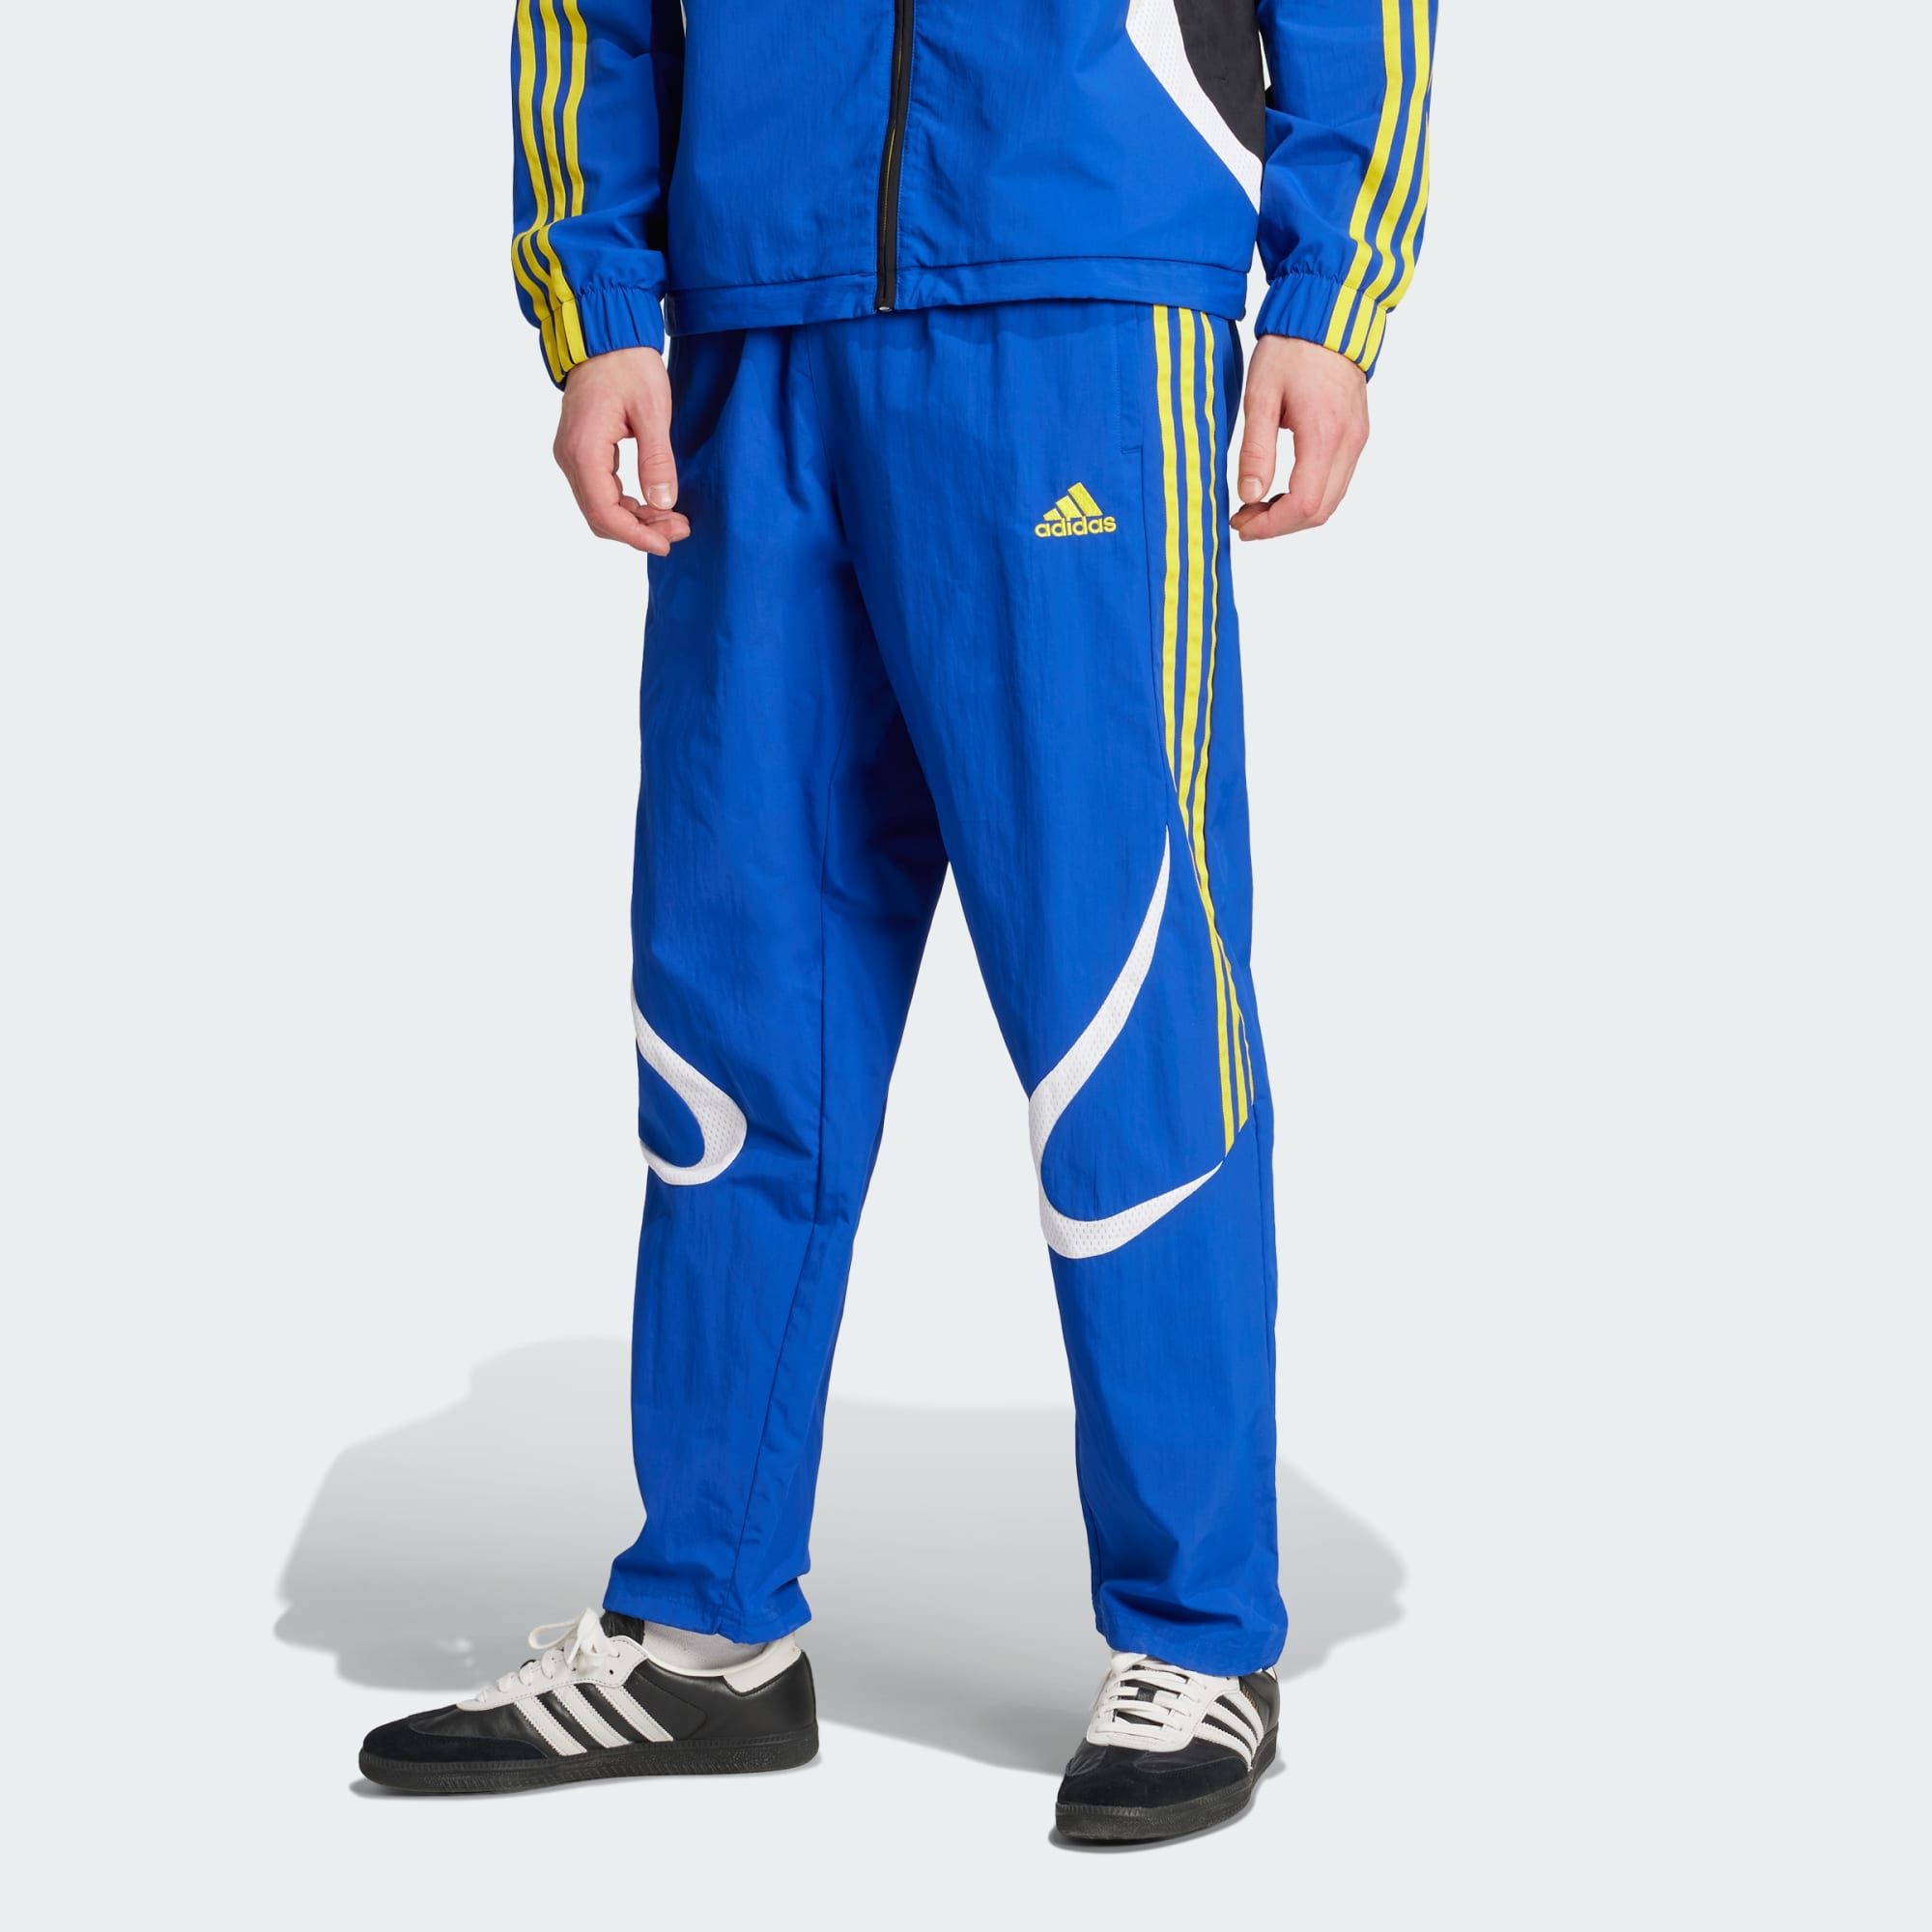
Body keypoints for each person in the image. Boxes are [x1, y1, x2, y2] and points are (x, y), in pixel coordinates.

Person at [359, 0, 1435, 1843]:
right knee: (734, 1011)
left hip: (1080, 299)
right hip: (754, 326)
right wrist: (596, 302)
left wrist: (1332, 298)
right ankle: (707, 1624)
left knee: (1122, 1000)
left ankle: (1198, 1635)